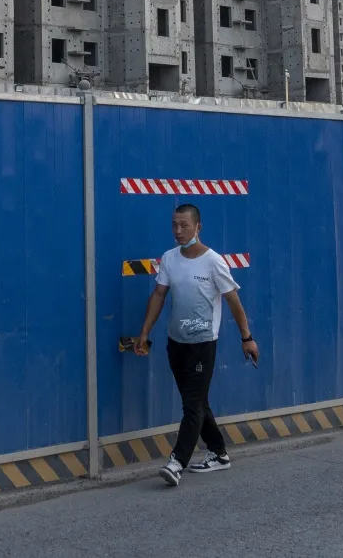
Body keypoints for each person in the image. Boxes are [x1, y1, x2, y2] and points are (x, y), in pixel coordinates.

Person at [130, 201, 258, 486]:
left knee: (192, 405)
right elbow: (159, 295)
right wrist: (145, 333)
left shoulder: (213, 261)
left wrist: (246, 337)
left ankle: (176, 462)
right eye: (174, 225)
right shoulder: (169, 258)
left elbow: (233, 300)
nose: (178, 230)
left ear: (198, 227)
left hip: (203, 343)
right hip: (176, 343)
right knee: (197, 402)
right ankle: (219, 453)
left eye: (184, 225)